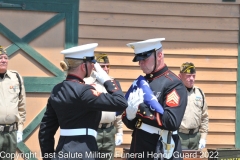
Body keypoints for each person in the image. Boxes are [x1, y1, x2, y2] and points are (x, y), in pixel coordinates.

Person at [38, 43, 128, 160]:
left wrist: (48, 157)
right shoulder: (85, 91)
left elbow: (46, 130)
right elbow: (121, 102)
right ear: (82, 66)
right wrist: (107, 80)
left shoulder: (57, 90)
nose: (93, 66)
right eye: (91, 63)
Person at [122, 38, 188, 160]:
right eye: (139, 60)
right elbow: (132, 123)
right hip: (139, 147)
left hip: (160, 149)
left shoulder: (173, 84)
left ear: (160, 55)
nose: (140, 63)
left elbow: (171, 121)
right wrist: (129, 116)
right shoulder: (142, 83)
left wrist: (140, 108)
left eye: (145, 59)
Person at [84, 53, 123, 160]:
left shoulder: (113, 84)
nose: (106, 69)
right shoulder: (87, 83)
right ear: (95, 67)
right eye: (102, 66)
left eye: (108, 66)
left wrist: (119, 131)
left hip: (110, 131)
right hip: (94, 130)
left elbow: (118, 111)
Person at [0, 46, 26, 159]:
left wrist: (19, 130)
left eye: (6, 57)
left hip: (11, 133)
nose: (4, 60)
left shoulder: (16, 77)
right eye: (0, 57)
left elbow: (21, 106)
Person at [178, 62, 209, 150]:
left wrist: (203, 138)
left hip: (196, 137)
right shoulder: (175, 93)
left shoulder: (199, 93)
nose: (191, 79)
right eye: (188, 76)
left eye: (193, 76)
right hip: (180, 136)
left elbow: (204, 117)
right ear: (180, 76)